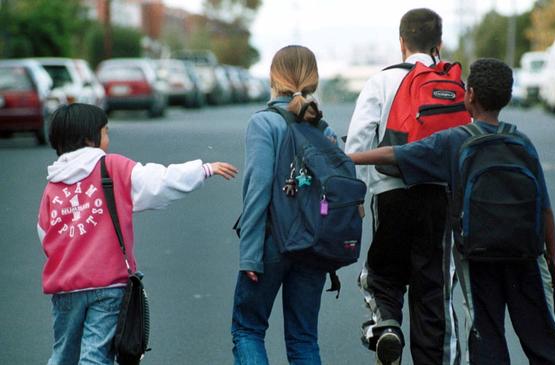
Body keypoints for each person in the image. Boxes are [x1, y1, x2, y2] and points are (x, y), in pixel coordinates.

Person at [349, 58, 555, 365]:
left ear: (470, 95)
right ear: (506, 96)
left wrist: (349, 158)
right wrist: (553, 257)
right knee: (541, 337)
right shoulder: (522, 143)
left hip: (478, 256)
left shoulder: (455, 141)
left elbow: (394, 154)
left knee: (487, 335)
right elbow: (544, 207)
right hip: (526, 255)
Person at [37, 103, 238, 365]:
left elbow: (45, 234)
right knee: (96, 356)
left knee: (63, 354)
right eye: (105, 132)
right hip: (108, 285)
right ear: (90, 138)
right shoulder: (113, 167)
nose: (108, 139)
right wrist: (203, 170)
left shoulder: (53, 185)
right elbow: (160, 181)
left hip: (65, 288)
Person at [344, 8, 458, 365]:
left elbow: (358, 145)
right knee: (432, 287)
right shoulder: (455, 83)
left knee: (383, 272)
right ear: (438, 43)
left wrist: (356, 196)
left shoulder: (381, 81)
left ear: (401, 43)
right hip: (439, 195)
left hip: (390, 192)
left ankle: (388, 326)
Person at [231, 45, 337, 365]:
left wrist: (250, 255)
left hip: (272, 242)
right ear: (314, 80)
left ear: (273, 78)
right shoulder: (324, 129)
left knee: (248, 329)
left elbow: (257, 191)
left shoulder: (264, 123)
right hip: (313, 245)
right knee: (304, 338)